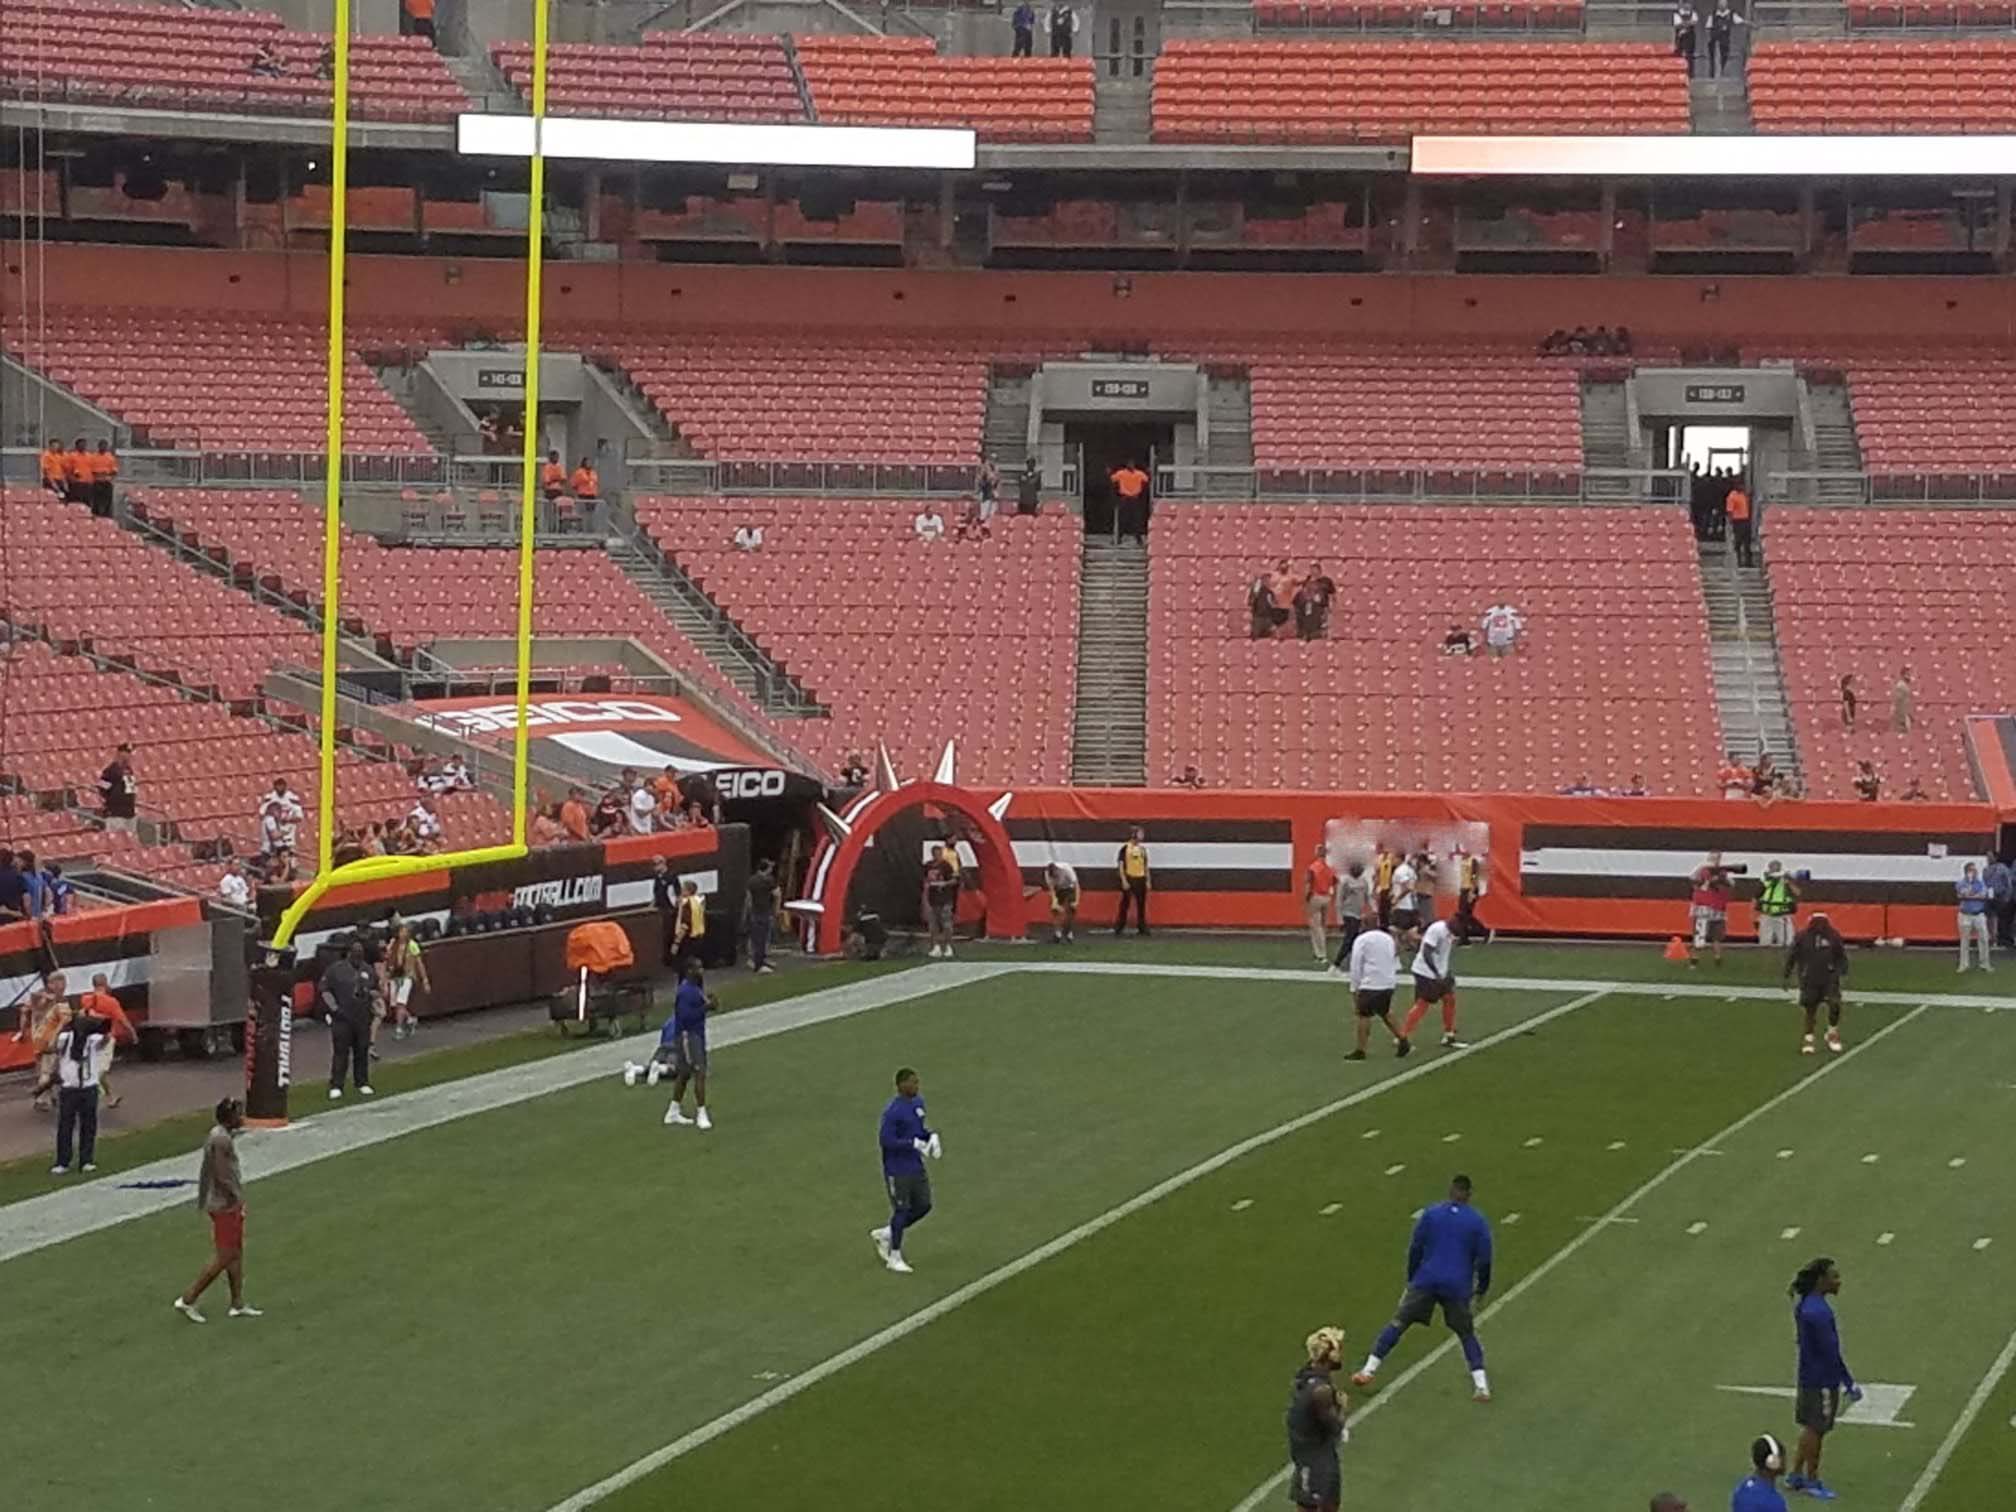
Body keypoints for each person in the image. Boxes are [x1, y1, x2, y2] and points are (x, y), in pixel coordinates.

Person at [1351, 1174, 1493, 1402]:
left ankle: (1368, 1370)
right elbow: (1485, 1259)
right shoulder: (1477, 1221)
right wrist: (1482, 1287)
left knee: (1399, 1322)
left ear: (1451, 1190)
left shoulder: (1431, 1214)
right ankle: (1481, 1386)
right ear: (1469, 1194)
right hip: (1457, 1285)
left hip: (1426, 1278)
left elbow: (1415, 1247)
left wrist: (1412, 1278)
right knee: (1466, 1333)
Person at [173, 1097, 261, 1323]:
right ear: (229, 1117)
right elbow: (222, 1175)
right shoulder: (221, 1140)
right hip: (224, 1204)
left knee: (236, 1253)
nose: (241, 1117)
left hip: (222, 1201)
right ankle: (188, 1298)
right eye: (237, 1113)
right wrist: (237, 1199)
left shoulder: (219, 1135)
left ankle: (237, 1303)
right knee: (226, 1255)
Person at [1787, 1258, 1859, 1500]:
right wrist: (1848, 1381)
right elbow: (1830, 1351)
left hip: (1808, 1375)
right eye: (1834, 1277)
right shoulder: (1819, 1312)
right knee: (1817, 1429)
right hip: (1822, 1381)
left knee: (1809, 1427)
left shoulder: (1806, 1306)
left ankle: (1796, 1474)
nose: (1838, 1281)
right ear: (1821, 1281)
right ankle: (1812, 1479)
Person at [872, 1066, 941, 1274]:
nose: (916, 1086)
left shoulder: (918, 1104)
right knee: (901, 1210)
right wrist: (912, 1144)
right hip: (897, 1169)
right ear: (901, 1085)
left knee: (924, 1205)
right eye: (913, 1082)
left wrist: (931, 1137)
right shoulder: (894, 1111)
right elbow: (886, 1140)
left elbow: (919, 1131)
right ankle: (894, 1256)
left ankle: (887, 1233)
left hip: (915, 1166)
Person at [1285, 1326, 1350, 1512]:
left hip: (1307, 1454)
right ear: (1327, 1354)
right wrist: (1343, 1408)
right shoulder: (1322, 1391)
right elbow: (1335, 1427)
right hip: (1317, 1458)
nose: (1341, 1354)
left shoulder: (1306, 1376)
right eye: (1338, 1350)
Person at [51, 1003, 109, 1175]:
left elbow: (106, 1034)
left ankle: (86, 1160)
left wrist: (95, 1019)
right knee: (65, 1126)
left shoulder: (93, 1039)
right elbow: (52, 1045)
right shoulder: (66, 1038)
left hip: (89, 1086)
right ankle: (63, 1161)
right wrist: (62, 1025)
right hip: (70, 1088)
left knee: (89, 1125)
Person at [657, 963, 715, 1130]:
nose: (701, 971)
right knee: (699, 1072)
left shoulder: (695, 988)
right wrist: (706, 1007)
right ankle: (701, 1113)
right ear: (689, 971)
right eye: (698, 968)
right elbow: (685, 1016)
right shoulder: (686, 992)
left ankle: (673, 1110)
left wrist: (709, 1005)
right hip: (688, 1036)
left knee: (684, 1073)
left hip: (694, 1035)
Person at [1783, 910, 1847, 1055]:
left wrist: (1841, 971)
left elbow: (1841, 956)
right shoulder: (1802, 937)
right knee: (1810, 1008)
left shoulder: (1833, 936)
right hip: (1809, 978)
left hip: (1829, 978)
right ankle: (1809, 1037)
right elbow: (1792, 956)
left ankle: (1832, 1032)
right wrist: (1786, 975)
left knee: (1834, 1004)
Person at [1345, 919, 1411, 1061]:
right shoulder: (1387, 938)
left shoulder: (1361, 940)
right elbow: (1395, 956)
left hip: (1371, 983)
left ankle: (1360, 1049)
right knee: (1385, 1012)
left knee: (1363, 1014)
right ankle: (1403, 1038)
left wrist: (1354, 987)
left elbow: (1356, 964)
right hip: (1388, 982)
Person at [1401, 916, 1466, 1050]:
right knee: (1423, 1004)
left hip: (1440, 972)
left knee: (1449, 999)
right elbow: (1426, 952)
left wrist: (1445, 971)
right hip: (1426, 972)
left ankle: (1449, 1034)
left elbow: (1442, 954)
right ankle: (1402, 1036)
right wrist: (1436, 972)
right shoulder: (1437, 930)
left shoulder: (1449, 932)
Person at [321, 942, 374, 1100]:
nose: (359, 956)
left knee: (362, 1051)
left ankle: (362, 1082)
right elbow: (325, 990)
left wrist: (369, 993)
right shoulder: (336, 970)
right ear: (349, 953)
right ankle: (336, 1085)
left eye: (361, 953)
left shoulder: (368, 970)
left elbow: (377, 989)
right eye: (356, 953)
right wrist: (334, 1008)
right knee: (340, 1053)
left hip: (362, 1016)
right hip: (342, 1017)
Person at [80, 972, 133, 1109]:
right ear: (105, 983)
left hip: (90, 1039)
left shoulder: (86, 999)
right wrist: (132, 1033)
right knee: (100, 1071)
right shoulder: (112, 1002)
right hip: (107, 1038)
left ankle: (110, 1096)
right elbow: (122, 1019)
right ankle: (95, 1097)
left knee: (92, 1069)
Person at [382, 922, 429, 1040]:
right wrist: (385, 978)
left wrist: (425, 980)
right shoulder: (393, 943)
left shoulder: (412, 945)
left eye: (405, 931)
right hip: (394, 976)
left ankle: (399, 1029)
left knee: (400, 1003)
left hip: (406, 976)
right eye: (401, 931)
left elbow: (419, 963)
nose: (402, 934)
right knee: (394, 1004)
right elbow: (387, 960)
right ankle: (409, 1019)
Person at [1690, 850, 1735, 967]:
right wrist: (1709, 879)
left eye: (1718, 858)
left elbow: (1731, 884)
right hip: (1703, 910)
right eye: (1713, 858)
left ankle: (1718, 959)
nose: (1715, 860)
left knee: (1717, 937)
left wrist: (1721, 879)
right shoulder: (1701, 870)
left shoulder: (1722, 873)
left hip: (1718, 910)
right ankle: (1694, 960)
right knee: (1699, 936)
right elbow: (1693, 880)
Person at [1329, 860, 1371, 973]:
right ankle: (1336, 964)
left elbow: (1367, 897)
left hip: (1359, 914)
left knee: (1356, 939)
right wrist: (1339, 918)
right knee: (1349, 938)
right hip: (1348, 913)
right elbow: (1339, 900)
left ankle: (1353, 963)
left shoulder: (1364, 881)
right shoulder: (1345, 881)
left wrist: (1370, 910)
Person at [1733, 1435, 1790, 1512]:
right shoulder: (1774, 1501)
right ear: (1773, 1461)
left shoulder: (1742, 1487)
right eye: (1781, 1456)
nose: (1785, 1460)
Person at [923, 844, 960, 959]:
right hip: (932, 898)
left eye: (939, 853)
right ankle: (936, 946)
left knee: (946, 923)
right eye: (935, 853)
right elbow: (926, 882)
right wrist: (925, 898)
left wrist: (945, 884)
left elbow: (954, 880)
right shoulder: (928, 865)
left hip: (945, 898)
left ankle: (949, 946)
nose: (937, 855)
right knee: (933, 925)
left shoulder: (946, 865)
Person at [1304, 843, 1338, 965]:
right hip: (1326, 897)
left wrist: (1306, 897)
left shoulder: (1313, 867)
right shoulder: (1329, 869)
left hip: (1316, 896)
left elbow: (1308, 884)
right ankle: (1323, 951)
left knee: (1315, 926)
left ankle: (1320, 954)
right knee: (1323, 926)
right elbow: (1335, 882)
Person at [1956, 862, 1993, 973]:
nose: (1974, 872)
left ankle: (1985, 964)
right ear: (1966, 871)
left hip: (1979, 914)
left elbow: (1983, 896)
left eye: (1975, 870)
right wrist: (1971, 893)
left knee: (1984, 939)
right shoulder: (1961, 883)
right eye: (1971, 870)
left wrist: (1971, 895)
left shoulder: (1981, 883)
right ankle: (1963, 964)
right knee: (1965, 940)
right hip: (1965, 914)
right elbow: (1963, 894)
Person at [1755, 860, 1799, 951]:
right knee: (1764, 944)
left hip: (1783, 915)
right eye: (1772, 868)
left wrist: (1788, 882)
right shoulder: (1765, 881)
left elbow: (1797, 893)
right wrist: (1754, 916)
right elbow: (1756, 897)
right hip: (1766, 915)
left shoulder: (1786, 880)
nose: (1774, 870)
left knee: (1786, 943)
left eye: (1776, 868)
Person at [1114, 826, 1151, 936]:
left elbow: (1146, 866)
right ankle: (1120, 926)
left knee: (1141, 905)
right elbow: (1120, 865)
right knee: (1125, 904)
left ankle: (1142, 926)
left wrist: (1148, 880)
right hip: (1130, 877)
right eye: (1140, 833)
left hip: (1141, 878)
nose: (1142, 836)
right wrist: (1124, 880)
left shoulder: (1142, 850)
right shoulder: (1125, 848)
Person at [745, 859, 778, 974]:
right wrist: (776, 910)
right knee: (763, 939)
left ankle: (755, 960)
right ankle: (759, 965)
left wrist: (749, 911)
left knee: (755, 938)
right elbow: (777, 894)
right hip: (764, 911)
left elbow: (748, 898)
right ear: (767, 868)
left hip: (755, 912)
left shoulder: (751, 880)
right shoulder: (768, 880)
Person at [99, 743, 138, 832]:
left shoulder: (129, 770)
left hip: (129, 813)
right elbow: (102, 787)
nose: (128, 756)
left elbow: (131, 790)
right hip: (115, 813)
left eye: (129, 753)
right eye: (126, 752)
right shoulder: (111, 770)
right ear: (119, 753)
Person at [1452, 847, 1486, 944]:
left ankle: (1480, 932)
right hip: (1463, 889)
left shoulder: (1473, 861)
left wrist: (1472, 891)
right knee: (1463, 915)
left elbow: (1475, 876)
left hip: (1470, 889)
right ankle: (1465, 938)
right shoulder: (1463, 861)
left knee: (1464, 914)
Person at [1110, 458, 1149, 542]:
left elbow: (1146, 480)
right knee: (1122, 519)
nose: (1130, 466)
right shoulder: (1121, 473)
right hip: (1125, 498)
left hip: (1135, 498)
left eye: (1132, 464)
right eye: (1129, 464)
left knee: (1137, 519)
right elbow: (1113, 479)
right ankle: (1119, 538)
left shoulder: (1139, 474)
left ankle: (1138, 538)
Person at [673, 878, 707, 969]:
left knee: (686, 966)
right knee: (696, 965)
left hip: (688, 939)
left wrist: (676, 942)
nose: (681, 892)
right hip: (699, 936)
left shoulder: (686, 904)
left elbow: (685, 924)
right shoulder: (699, 901)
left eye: (683, 889)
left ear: (688, 891)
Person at [1706, 0, 1744, 78]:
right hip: (1714, 40)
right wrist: (1709, 38)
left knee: (1724, 57)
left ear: (1726, 5)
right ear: (1718, 5)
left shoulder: (1731, 14)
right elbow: (1708, 27)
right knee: (1713, 59)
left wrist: (1752, 25)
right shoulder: (1712, 15)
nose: (1722, 5)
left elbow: (1741, 21)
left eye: (1724, 4)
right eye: (1720, 4)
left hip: (1725, 40)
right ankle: (1712, 75)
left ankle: (1723, 74)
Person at [1045, 860, 1079, 944]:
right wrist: (1054, 902)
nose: (1055, 878)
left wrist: (1076, 901)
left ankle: (1068, 932)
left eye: (1056, 876)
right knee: (1055, 910)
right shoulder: (1047, 874)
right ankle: (1057, 934)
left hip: (1069, 888)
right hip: (1058, 890)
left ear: (1058, 870)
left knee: (1071, 909)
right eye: (1053, 877)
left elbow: (1077, 886)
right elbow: (1052, 889)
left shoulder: (1067, 870)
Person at [1987, 853, 2015, 950]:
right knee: (1992, 918)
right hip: (1990, 896)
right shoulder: (1986, 869)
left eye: (1990, 856)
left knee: (2002, 918)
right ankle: (1994, 939)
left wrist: (2007, 896)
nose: (1988, 858)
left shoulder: (2002, 868)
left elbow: (2009, 882)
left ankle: (2004, 939)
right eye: (1987, 856)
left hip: (2002, 896)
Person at [1727, 480, 1754, 566]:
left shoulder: (1743, 495)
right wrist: (1731, 523)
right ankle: (1737, 561)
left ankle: (1748, 562)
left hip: (1745, 520)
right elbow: (1730, 510)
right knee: (1738, 542)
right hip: (1737, 521)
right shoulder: (1732, 496)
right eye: (1740, 485)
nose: (1742, 487)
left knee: (1747, 542)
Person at [89, 439, 119, 516]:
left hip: (107, 482)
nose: (103, 447)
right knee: (96, 501)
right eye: (101, 445)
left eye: (105, 445)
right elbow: (90, 469)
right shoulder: (93, 457)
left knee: (107, 501)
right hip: (97, 481)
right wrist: (98, 473)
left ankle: (107, 516)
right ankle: (95, 515)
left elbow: (114, 470)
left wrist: (108, 474)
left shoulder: (110, 457)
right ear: (98, 446)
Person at [1673, 0, 1700, 76]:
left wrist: (1684, 23)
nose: (1688, 6)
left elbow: (1694, 22)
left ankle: (1690, 74)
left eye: (1690, 4)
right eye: (1687, 4)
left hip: (1690, 38)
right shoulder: (1677, 13)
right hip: (1680, 38)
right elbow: (1677, 24)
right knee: (1679, 54)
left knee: (1690, 56)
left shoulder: (1693, 13)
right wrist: (1688, 23)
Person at [1890, 666, 1913, 734]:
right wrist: (1902, 718)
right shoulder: (1901, 686)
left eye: (1910, 675)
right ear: (1903, 675)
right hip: (1900, 715)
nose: (1909, 677)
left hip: (1904, 714)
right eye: (1907, 675)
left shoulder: (1905, 686)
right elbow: (1898, 702)